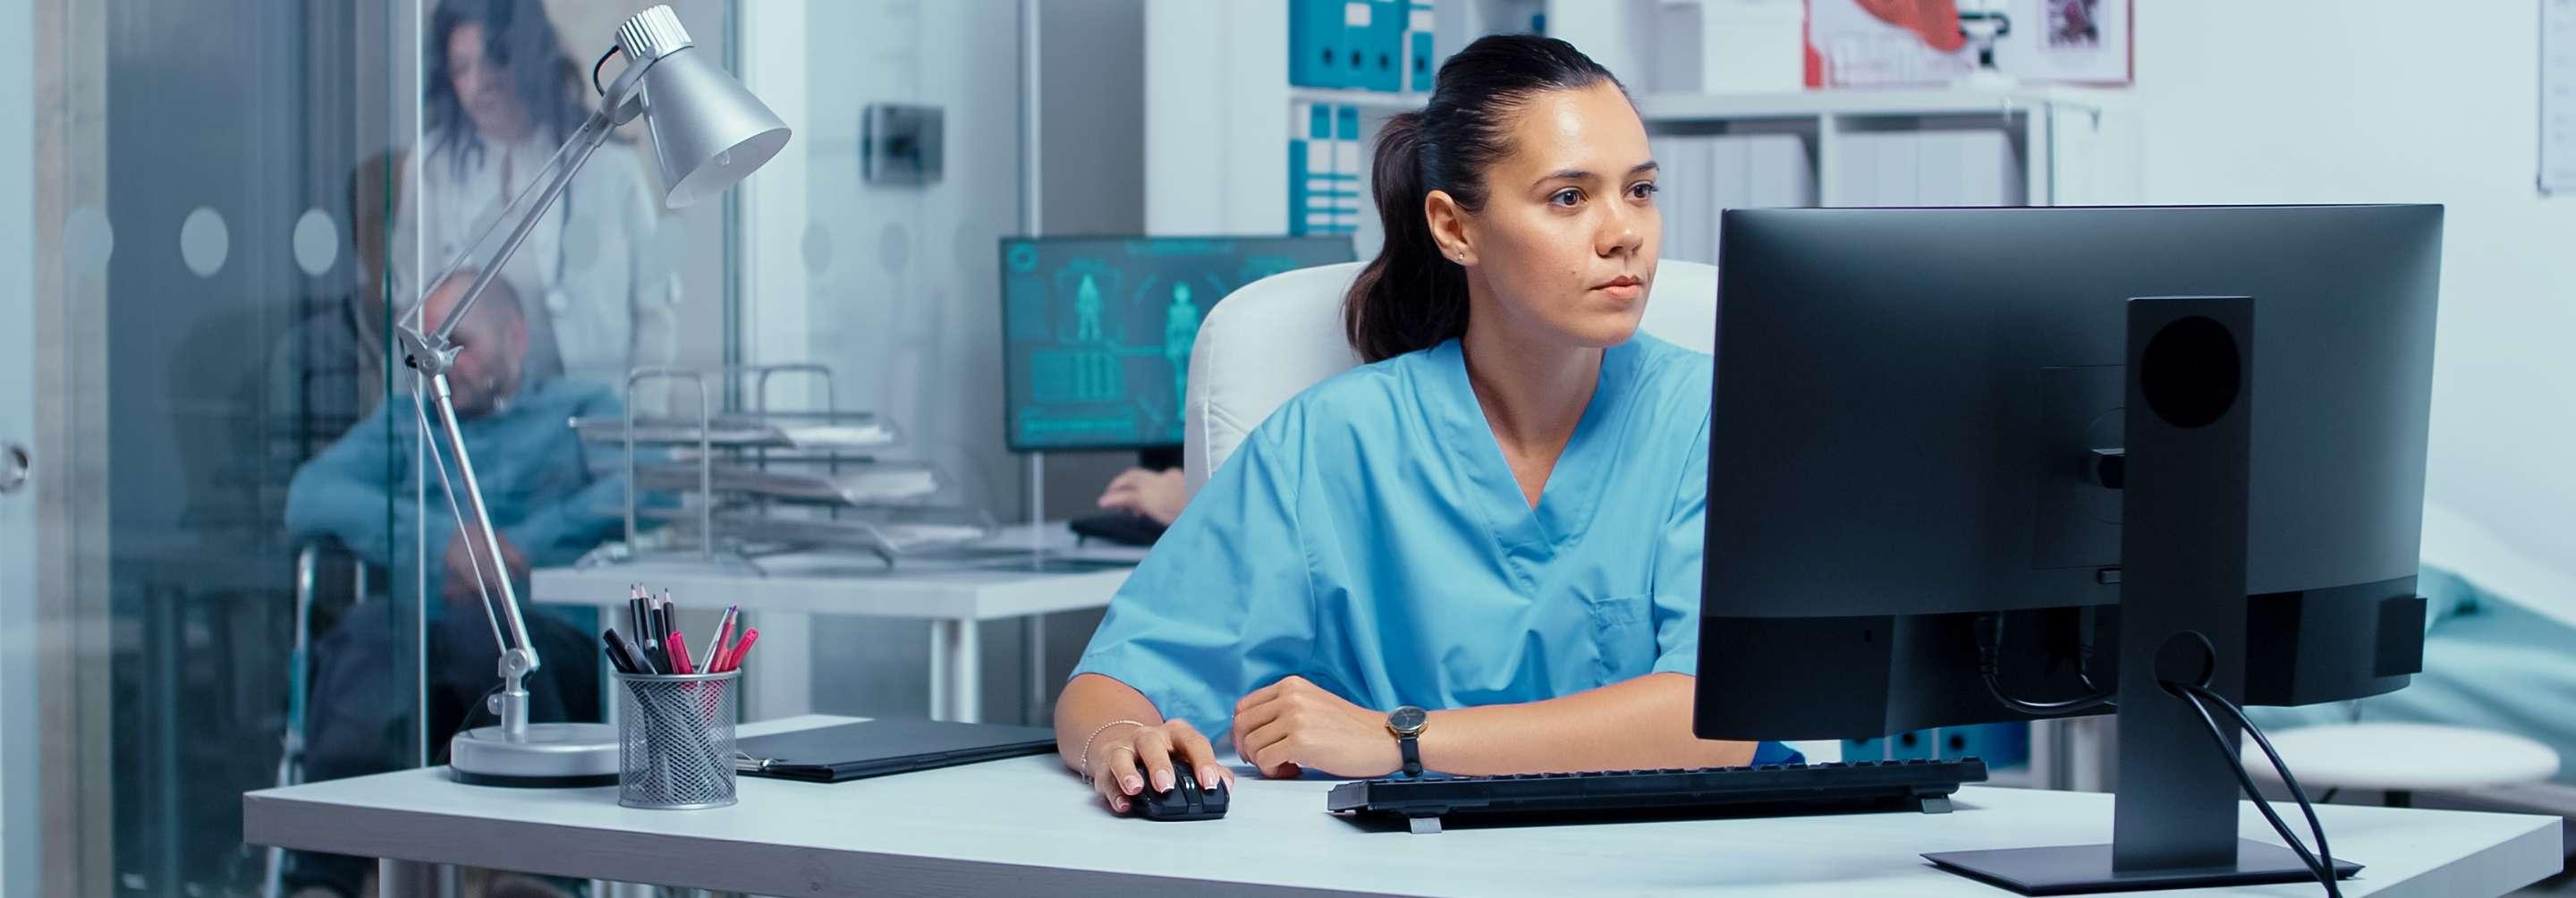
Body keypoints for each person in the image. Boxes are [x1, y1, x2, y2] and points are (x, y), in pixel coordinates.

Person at [1054, 34, 1796, 815]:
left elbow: (1715, 718)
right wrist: (1120, 741)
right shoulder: (1328, 443)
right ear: (1454, 227)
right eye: (1569, 197)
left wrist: (1398, 739)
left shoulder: (1713, 415)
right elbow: (1113, 681)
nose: (1626, 233)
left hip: (1677, 859)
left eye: (1640, 190)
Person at [283, 270, 625, 893]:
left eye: (457, 343)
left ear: (515, 338)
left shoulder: (580, 411)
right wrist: (445, 542)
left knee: (482, 631)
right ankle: (323, 876)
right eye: (429, 347)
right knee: (365, 635)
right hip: (422, 654)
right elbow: (311, 494)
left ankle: (538, 874)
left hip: (549, 649)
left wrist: (520, 548)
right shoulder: (411, 419)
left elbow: (639, 487)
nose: (441, 364)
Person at [392, 0, 674, 394]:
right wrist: (415, 423)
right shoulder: (430, 170)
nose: (479, 82)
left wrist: (640, 428)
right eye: (461, 68)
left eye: (496, 59)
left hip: (593, 419)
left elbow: (654, 309)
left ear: (529, 57)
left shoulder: (609, 166)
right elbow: (410, 316)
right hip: (471, 417)